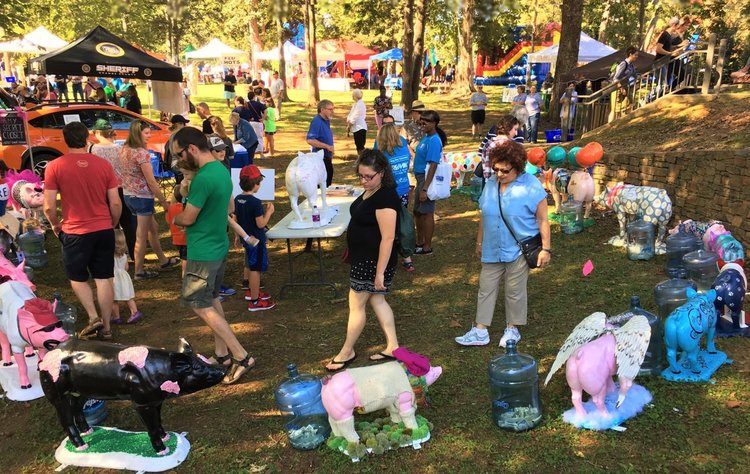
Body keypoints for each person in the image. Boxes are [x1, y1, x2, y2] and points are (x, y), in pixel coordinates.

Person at [170, 127, 255, 384]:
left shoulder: (203, 178)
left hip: (203, 251)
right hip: (217, 246)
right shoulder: (220, 169)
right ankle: (221, 354)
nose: (178, 160)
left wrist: (174, 217)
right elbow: (229, 207)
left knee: (199, 303)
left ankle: (241, 355)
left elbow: (188, 218)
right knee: (212, 299)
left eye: (179, 154)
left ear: (192, 149)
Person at [455, 140, 551, 347]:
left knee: (515, 290)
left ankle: (512, 328)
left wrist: (546, 249)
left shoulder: (531, 185)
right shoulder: (491, 183)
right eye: (496, 169)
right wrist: (479, 243)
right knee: (486, 287)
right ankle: (480, 331)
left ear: (518, 167)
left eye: (505, 171)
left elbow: (543, 219)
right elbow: (485, 214)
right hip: (492, 246)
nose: (499, 174)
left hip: (519, 247)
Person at [43, 121, 121, 341]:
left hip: (75, 230)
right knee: (104, 277)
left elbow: (48, 206)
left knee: (77, 276)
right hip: (103, 228)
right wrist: (112, 223)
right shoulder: (103, 165)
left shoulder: (55, 166)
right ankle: (107, 327)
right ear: (87, 138)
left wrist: (54, 224)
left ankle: (93, 316)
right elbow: (115, 202)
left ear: (65, 140)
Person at [325, 149, 401, 371]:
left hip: (372, 261)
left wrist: (379, 273)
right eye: (361, 176)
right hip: (365, 258)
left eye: (369, 176)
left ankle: (347, 351)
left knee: (356, 305)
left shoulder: (385, 198)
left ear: (382, 172)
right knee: (377, 301)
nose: (364, 181)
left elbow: (388, 238)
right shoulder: (371, 191)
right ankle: (393, 347)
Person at [118, 120, 178, 280]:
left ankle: (163, 260)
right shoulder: (141, 153)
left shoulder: (124, 149)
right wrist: (163, 201)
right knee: (141, 235)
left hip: (128, 195)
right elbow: (151, 181)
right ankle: (139, 271)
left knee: (153, 228)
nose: (149, 135)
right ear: (137, 133)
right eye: (146, 133)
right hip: (142, 197)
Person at [88, 119, 136, 259]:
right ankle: (133, 253)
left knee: (109, 223)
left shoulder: (92, 149)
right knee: (128, 224)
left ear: (97, 133)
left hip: (102, 190)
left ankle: (113, 255)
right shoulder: (120, 148)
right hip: (121, 189)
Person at [374, 123, 415, 272]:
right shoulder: (403, 143)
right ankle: (407, 259)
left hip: (387, 192)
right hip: (403, 189)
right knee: (401, 222)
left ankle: (387, 256)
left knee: (386, 227)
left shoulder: (380, 152)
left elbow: (374, 166)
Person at [234, 165, 275, 311]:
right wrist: (269, 212)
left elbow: (236, 219)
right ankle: (255, 301)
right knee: (255, 269)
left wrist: (237, 236)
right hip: (256, 241)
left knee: (250, 264)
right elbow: (261, 224)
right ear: (255, 184)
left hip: (246, 239)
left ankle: (252, 292)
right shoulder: (255, 202)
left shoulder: (238, 199)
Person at [412, 110, 442, 256]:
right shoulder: (426, 137)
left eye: (426, 122)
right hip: (420, 178)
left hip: (426, 179)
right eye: (421, 122)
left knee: (427, 213)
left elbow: (433, 165)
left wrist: (425, 188)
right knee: (418, 212)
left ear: (434, 123)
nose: (422, 124)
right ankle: (419, 242)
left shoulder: (434, 140)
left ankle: (427, 247)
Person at [110, 229, 143, 325]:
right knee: (128, 297)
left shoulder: (110, 256)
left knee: (113, 299)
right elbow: (126, 267)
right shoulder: (124, 255)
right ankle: (134, 311)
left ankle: (116, 317)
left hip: (114, 278)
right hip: (124, 277)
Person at [306, 99, 335, 187]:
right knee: (322, 186)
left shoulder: (326, 120)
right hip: (320, 159)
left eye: (333, 109)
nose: (332, 111)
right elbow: (310, 140)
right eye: (330, 109)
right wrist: (327, 146)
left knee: (327, 183)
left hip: (326, 157)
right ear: (322, 110)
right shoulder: (317, 121)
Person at [609, 47, 640, 121]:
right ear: (630, 54)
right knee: (614, 110)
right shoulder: (624, 64)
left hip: (625, 87)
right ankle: (609, 125)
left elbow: (635, 75)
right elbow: (616, 78)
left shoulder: (631, 65)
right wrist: (621, 88)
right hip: (617, 88)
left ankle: (624, 122)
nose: (637, 56)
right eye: (635, 55)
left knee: (627, 106)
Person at [166, 185, 188, 276]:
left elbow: (168, 220)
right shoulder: (186, 208)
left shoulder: (171, 208)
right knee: (186, 258)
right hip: (186, 239)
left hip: (176, 238)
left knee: (183, 255)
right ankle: (185, 274)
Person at [347, 89, 367, 155]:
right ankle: (361, 158)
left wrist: (349, 124)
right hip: (356, 127)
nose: (352, 96)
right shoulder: (356, 104)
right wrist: (348, 121)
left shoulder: (360, 104)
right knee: (358, 145)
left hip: (360, 127)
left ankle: (362, 158)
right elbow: (351, 114)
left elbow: (355, 116)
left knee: (360, 146)